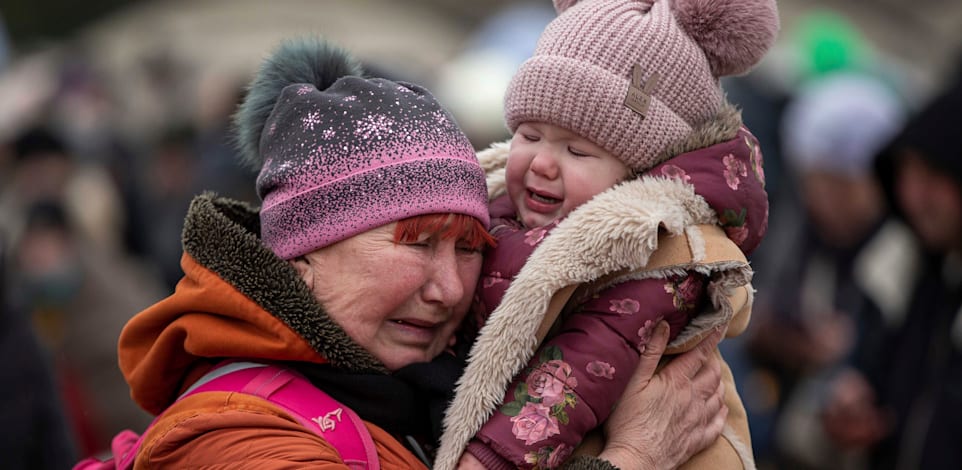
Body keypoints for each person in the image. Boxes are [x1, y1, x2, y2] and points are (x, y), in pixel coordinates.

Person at [111, 36, 729, 469]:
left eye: (468, 248)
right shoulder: (232, 433)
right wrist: (632, 459)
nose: (452, 289)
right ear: (303, 254)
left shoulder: (421, 392)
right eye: (417, 242)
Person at [435, 0, 779, 468]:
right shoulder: (497, 203)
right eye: (530, 135)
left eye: (577, 150)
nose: (541, 162)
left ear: (639, 173)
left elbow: (579, 371)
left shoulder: (655, 256)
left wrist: (493, 460)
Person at [820, 72, 962, 469]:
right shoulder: (904, 268)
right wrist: (851, 397)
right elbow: (866, 368)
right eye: (908, 174)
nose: (916, 197)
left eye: (935, 178)